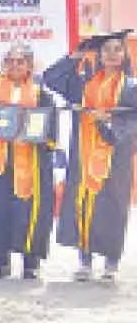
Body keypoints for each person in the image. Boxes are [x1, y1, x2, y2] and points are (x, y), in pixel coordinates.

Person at [42, 30, 135, 283]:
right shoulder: (84, 83)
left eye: (117, 49)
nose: (112, 54)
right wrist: (76, 55)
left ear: (124, 54)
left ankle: (111, 262)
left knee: (112, 207)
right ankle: (85, 261)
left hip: (115, 157)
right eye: (106, 49)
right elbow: (51, 78)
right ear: (99, 54)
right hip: (83, 154)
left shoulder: (131, 86)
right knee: (83, 204)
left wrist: (111, 122)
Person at [0, 44, 57, 280]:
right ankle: (1, 262)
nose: (15, 66)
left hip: (29, 163)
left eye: (20, 61)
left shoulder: (41, 94)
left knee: (28, 214)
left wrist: (36, 137)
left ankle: (30, 264)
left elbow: (50, 130)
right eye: (10, 61)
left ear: (30, 65)